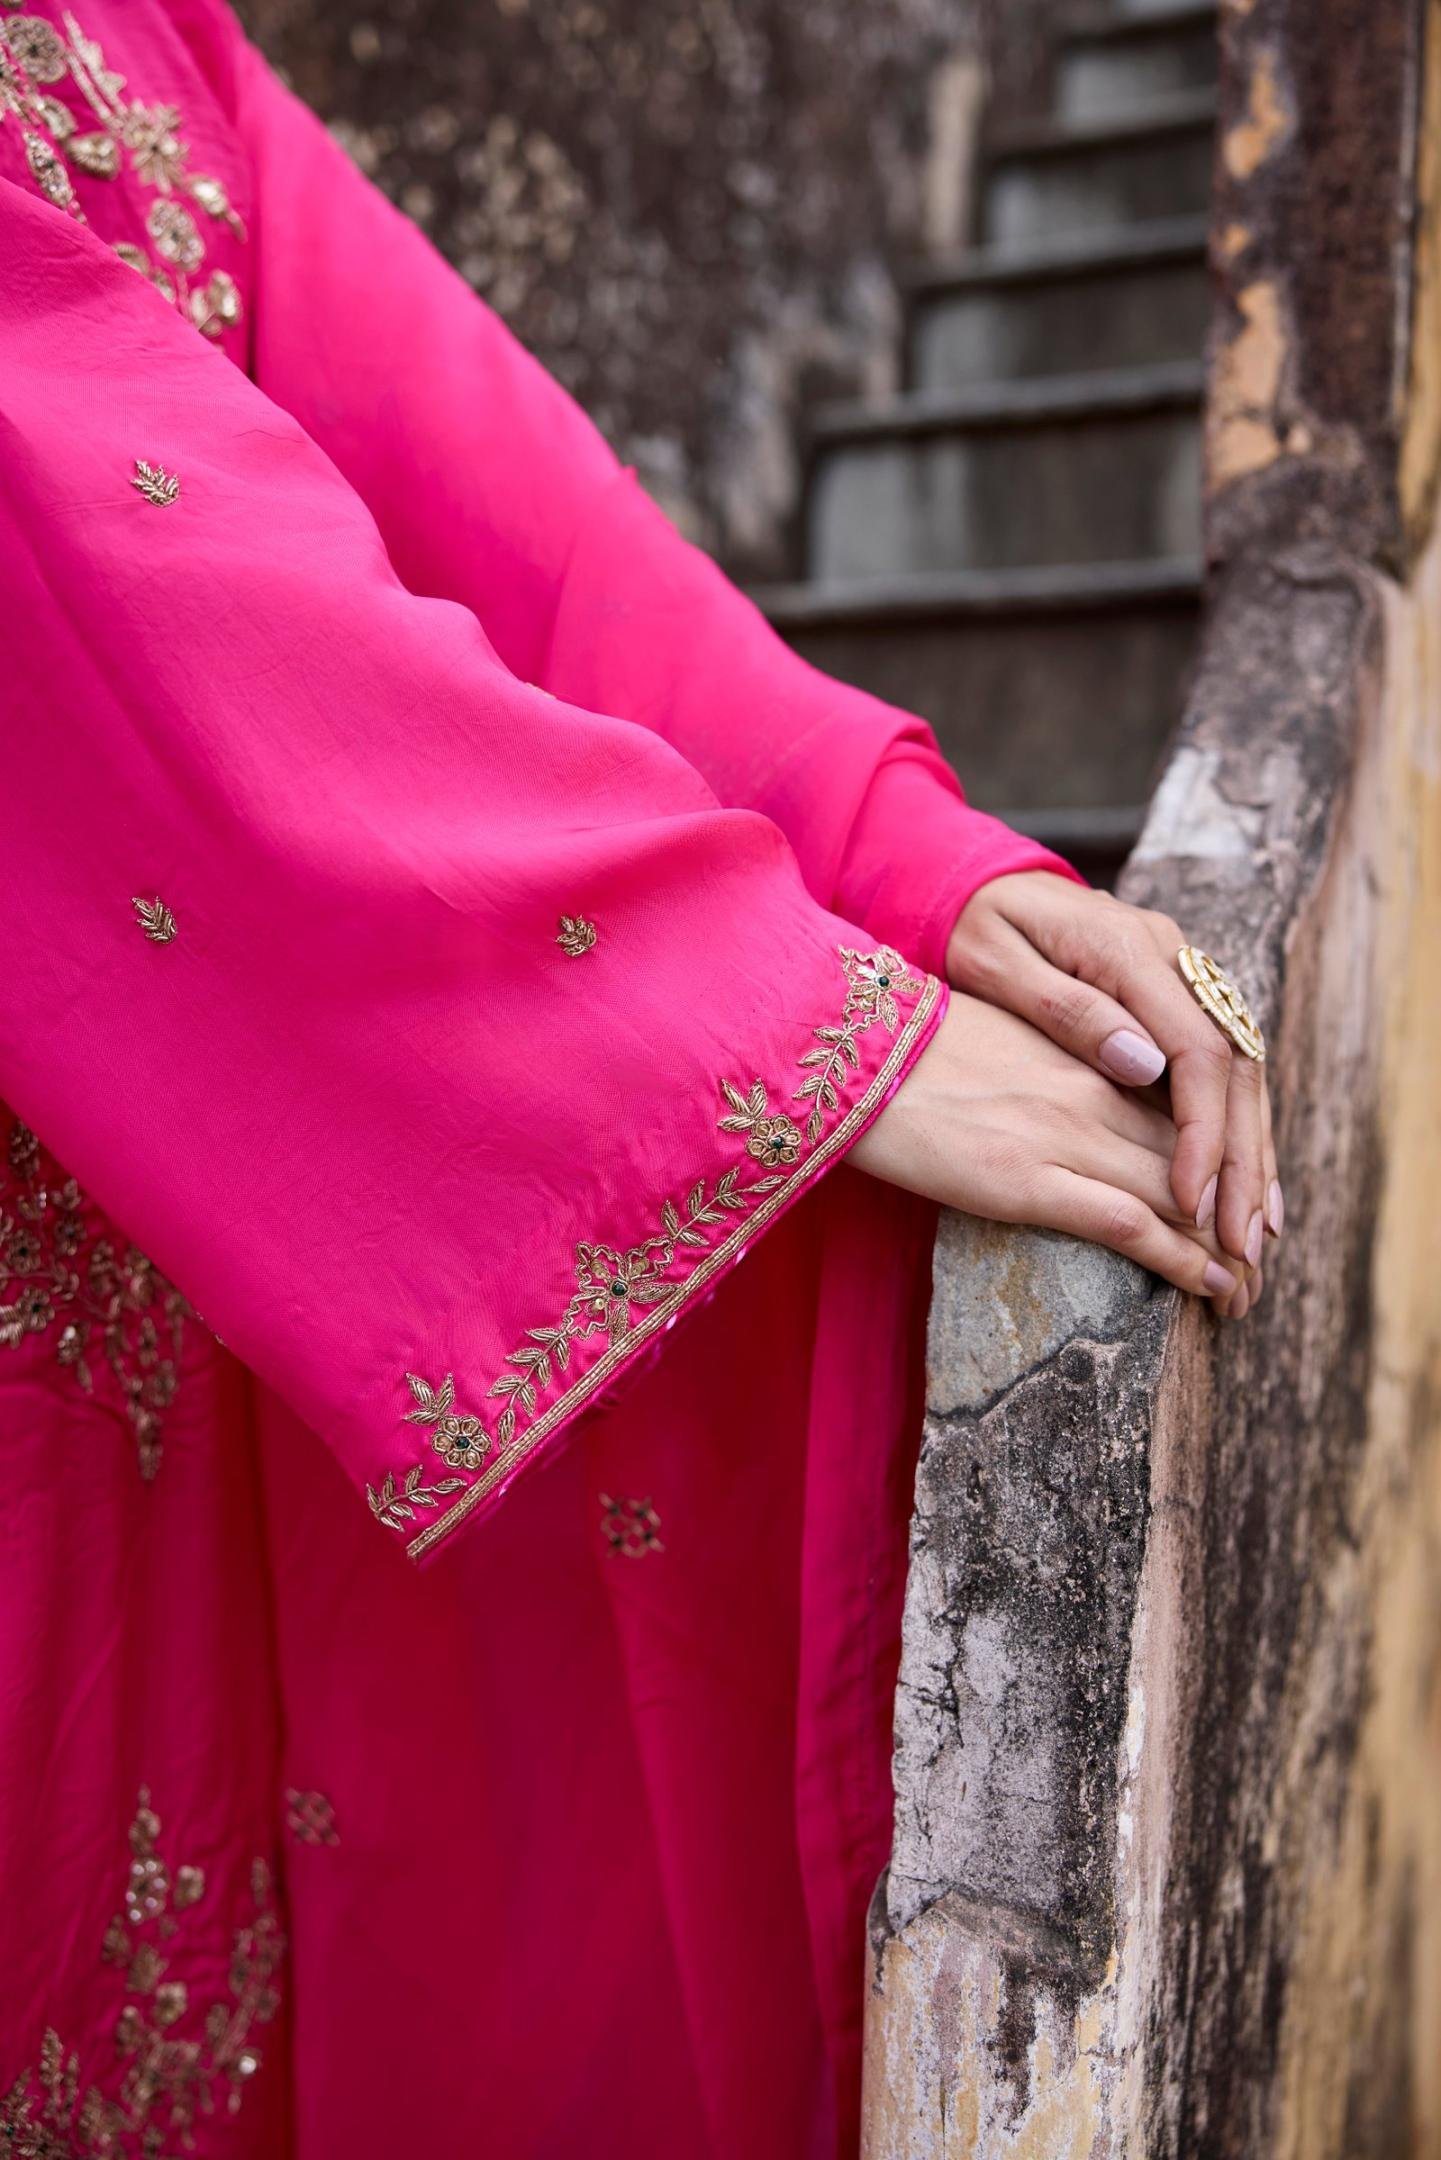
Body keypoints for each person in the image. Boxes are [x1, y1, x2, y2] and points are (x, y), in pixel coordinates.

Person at [0, 3, 1278, 2152]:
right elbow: (103, 556)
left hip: (194, 1365)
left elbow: (476, 489)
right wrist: (768, 1036)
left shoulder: (127, 29)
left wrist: (896, 863)